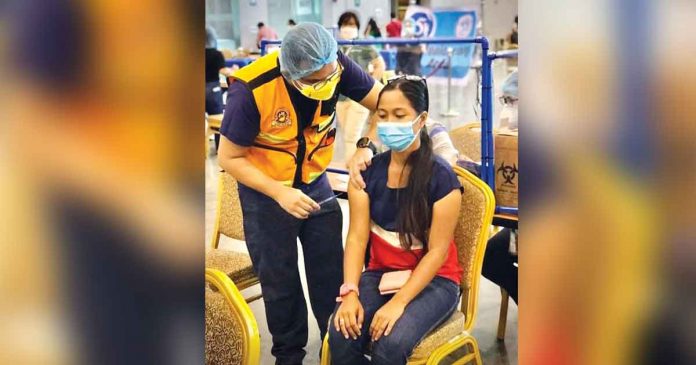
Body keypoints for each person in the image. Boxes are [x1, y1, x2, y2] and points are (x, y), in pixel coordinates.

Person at [217, 23, 382, 365]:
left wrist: (366, 145)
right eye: (313, 82)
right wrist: (279, 193)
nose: (324, 87)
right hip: (266, 192)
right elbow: (228, 157)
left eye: (329, 77)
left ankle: (337, 347)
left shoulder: (334, 63)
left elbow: (385, 101)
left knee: (330, 273)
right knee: (280, 281)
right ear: (290, 72)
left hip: (315, 180)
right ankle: (289, 355)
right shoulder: (251, 89)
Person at [328, 76, 463, 364]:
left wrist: (399, 302)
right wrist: (350, 292)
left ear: (421, 118)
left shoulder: (442, 179)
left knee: (391, 343)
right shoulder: (366, 173)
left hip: (435, 281)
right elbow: (356, 238)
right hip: (381, 273)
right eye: (383, 115)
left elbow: (438, 251)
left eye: (399, 115)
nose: (390, 123)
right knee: (341, 332)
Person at [336, 11, 386, 160]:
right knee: (347, 135)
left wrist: (372, 82)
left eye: (351, 24)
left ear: (357, 26)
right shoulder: (338, 46)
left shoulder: (364, 45)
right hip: (340, 99)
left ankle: (352, 171)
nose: (348, 27)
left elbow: (380, 64)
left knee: (352, 136)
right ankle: (356, 168)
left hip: (360, 98)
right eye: (345, 24)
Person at [206, 26, 233, 149]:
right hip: (212, 90)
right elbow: (224, 71)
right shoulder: (216, 54)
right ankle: (219, 147)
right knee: (218, 120)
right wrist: (235, 71)